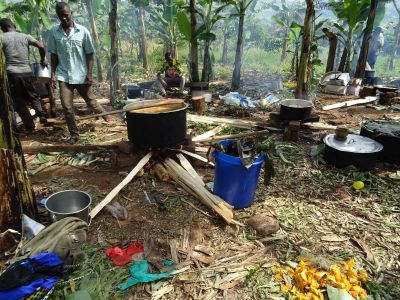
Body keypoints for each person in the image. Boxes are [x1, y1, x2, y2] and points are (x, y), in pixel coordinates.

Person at [47, 2, 111, 144]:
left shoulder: (82, 31)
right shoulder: (54, 33)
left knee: (91, 101)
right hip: (64, 75)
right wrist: (52, 74)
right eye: (60, 16)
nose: (64, 18)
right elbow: (54, 55)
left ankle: (106, 116)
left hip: (81, 74)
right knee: (67, 107)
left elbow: (90, 54)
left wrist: (89, 74)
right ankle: (74, 134)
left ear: (71, 13)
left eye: (66, 15)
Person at [0, 18, 47, 132]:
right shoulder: (25, 36)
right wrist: (42, 59)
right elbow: (41, 46)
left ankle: (30, 126)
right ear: (14, 26)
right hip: (27, 72)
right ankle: (42, 115)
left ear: (2, 28)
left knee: (19, 101)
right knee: (34, 96)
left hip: (12, 74)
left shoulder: (2, 37)